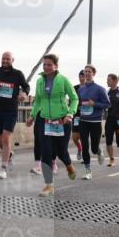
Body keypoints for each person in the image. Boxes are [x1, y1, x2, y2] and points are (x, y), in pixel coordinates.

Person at [27, 53, 78, 196]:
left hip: (62, 120)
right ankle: (48, 185)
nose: (46, 67)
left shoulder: (63, 80)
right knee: (46, 153)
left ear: (56, 66)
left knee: (61, 152)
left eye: (49, 64)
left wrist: (70, 114)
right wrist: (32, 116)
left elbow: (74, 98)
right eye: (44, 64)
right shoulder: (40, 82)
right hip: (45, 121)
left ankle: (68, 165)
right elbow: (38, 101)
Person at [0, 51, 30, 179]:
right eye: (3, 59)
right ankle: (9, 154)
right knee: (0, 141)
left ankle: (3, 168)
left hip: (11, 110)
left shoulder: (18, 74)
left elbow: (26, 86)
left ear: (13, 60)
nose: (5, 61)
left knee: (6, 138)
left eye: (7, 59)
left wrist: (24, 94)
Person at [76, 65, 110, 179]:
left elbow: (107, 104)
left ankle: (99, 151)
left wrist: (94, 104)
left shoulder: (100, 89)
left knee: (93, 148)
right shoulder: (81, 89)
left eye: (89, 71)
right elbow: (80, 103)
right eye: (85, 72)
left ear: (93, 73)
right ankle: (88, 171)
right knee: (84, 145)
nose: (87, 73)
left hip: (95, 121)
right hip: (83, 121)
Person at [105, 73, 119, 166]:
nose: (107, 81)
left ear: (114, 81)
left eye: (109, 80)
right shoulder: (107, 92)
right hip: (109, 119)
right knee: (108, 140)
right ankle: (111, 159)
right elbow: (104, 103)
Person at [72, 70, 86, 161]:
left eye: (83, 76)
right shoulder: (75, 88)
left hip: (86, 115)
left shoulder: (90, 88)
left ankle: (85, 155)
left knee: (83, 136)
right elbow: (72, 100)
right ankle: (79, 148)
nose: (81, 78)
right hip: (76, 115)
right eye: (80, 76)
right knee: (75, 137)